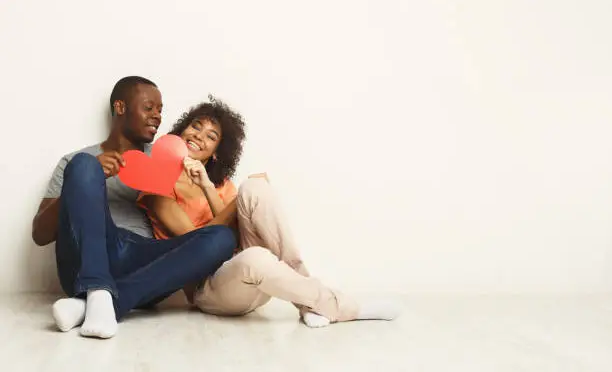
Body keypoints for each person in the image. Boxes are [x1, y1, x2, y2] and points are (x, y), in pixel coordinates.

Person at [139, 99, 399, 327]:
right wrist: (232, 199)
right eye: (196, 126)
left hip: (251, 270)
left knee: (255, 188)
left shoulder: (220, 185)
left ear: (217, 151)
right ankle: (344, 308)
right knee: (257, 257)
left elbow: (233, 230)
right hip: (211, 288)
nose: (199, 136)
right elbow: (199, 246)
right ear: (182, 129)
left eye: (211, 136)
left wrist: (208, 186)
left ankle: (309, 303)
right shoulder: (156, 184)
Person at [31, 77, 236, 339]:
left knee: (222, 238)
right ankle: (97, 286)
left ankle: (95, 305)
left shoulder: (169, 158)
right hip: (85, 261)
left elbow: (194, 219)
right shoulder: (74, 162)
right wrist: (89, 177)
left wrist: (210, 186)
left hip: (142, 262)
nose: (157, 117)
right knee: (84, 165)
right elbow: (40, 235)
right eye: (149, 108)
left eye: (160, 110)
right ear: (120, 107)